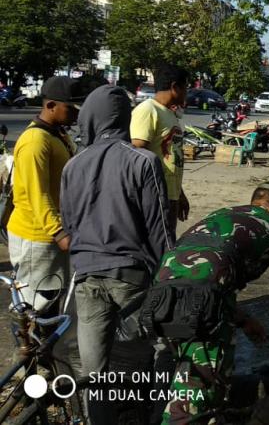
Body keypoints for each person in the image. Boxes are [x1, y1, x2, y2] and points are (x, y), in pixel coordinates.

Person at [60, 85, 175, 423]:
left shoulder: (73, 166)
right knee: (160, 348)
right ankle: (155, 416)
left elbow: (69, 225)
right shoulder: (143, 161)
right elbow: (159, 230)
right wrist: (170, 278)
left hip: (86, 278)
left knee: (94, 371)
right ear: (124, 118)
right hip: (131, 275)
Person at [148, 180, 269, 424]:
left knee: (185, 376)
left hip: (160, 295)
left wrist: (244, 320)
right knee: (197, 394)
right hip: (201, 304)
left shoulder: (223, 215)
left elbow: (204, 274)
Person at [7, 76, 86, 315]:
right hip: (36, 236)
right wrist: (59, 233)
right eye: (70, 109)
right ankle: (27, 350)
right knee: (36, 302)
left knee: (52, 299)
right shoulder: (35, 141)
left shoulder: (57, 134)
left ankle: (42, 350)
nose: (75, 115)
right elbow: (36, 194)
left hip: (51, 233)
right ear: (51, 106)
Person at [130, 64, 189, 233]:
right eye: (186, 87)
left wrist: (180, 195)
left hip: (171, 195)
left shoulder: (169, 113)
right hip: (156, 196)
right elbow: (136, 155)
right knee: (159, 248)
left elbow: (171, 158)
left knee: (167, 246)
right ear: (174, 87)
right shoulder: (148, 110)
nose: (187, 92)